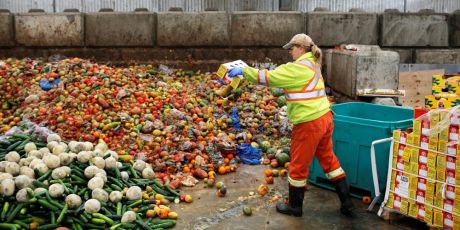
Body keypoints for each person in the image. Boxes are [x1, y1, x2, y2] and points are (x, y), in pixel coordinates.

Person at [227, 33, 354, 217]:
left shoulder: (299, 68)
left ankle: (295, 207)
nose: (290, 52)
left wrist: (244, 71)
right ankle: (347, 203)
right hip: (324, 117)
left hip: (309, 122)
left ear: (301, 48)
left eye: (292, 48)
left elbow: (269, 77)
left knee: (298, 166)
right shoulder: (313, 63)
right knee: (329, 161)